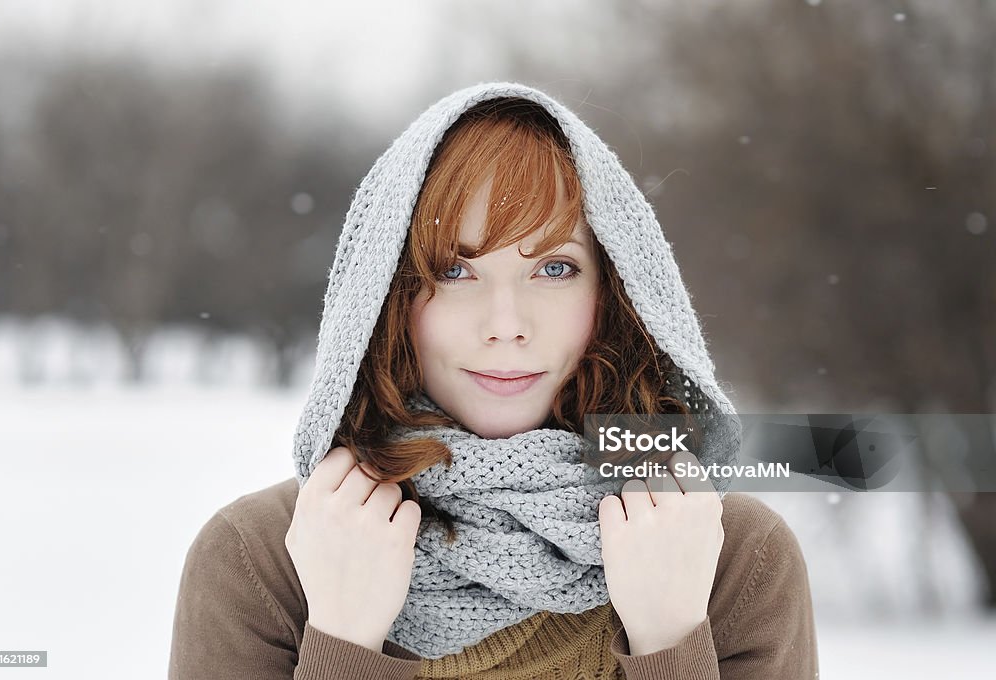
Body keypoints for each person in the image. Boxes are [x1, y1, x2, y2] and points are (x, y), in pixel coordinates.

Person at [168, 82, 819, 679]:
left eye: (555, 269)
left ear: (615, 295)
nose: (506, 325)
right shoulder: (265, 560)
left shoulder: (728, 556)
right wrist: (342, 639)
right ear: (388, 299)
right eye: (454, 270)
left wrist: (671, 640)